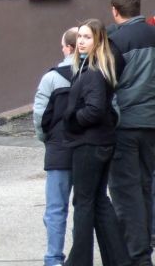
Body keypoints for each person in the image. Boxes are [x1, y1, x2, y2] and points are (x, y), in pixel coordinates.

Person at [62, 19, 130, 266]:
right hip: (100, 142)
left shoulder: (93, 73)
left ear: (98, 41)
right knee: (99, 200)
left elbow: (94, 110)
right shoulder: (98, 67)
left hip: (90, 144)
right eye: (79, 36)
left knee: (84, 202)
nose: (81, 41)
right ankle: (120, 260)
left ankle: (79, 261)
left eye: (87, 37)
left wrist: (72, 120)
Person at [107, 0, 155, 266]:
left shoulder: (116, 40)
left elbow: (105, 84)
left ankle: (136, 255)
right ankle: (146, 243)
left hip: (125, 124)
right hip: (151, 124)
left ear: (115, 11)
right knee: (146, 184)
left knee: (126, 191)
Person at [33, 27, 76, 266]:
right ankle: (80, 255)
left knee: (56, 208)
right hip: (87, 150)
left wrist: (46, 139)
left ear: (68, 48)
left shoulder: (51, 78)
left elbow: (40, 116)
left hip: (58, 149)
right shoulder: (96, 73)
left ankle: (53, 258)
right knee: (84, 206)